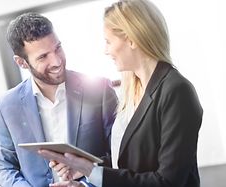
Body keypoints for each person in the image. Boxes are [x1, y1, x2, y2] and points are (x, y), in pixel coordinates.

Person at [38, 0, 203, 186]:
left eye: (108, 41)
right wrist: (85, 170)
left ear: (131, 39)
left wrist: (94, 172)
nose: (106, 50)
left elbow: (168, 182)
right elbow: (127, 160)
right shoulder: (133, 89)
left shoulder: (176, 91)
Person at [0, 12, 118, 186]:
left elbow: (120, 154)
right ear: (22, 62)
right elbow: (4, 167)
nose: (57, 61)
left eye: (58, 48)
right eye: (43, 56)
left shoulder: (100, 89)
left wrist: (87, 183)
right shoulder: (6, 106)